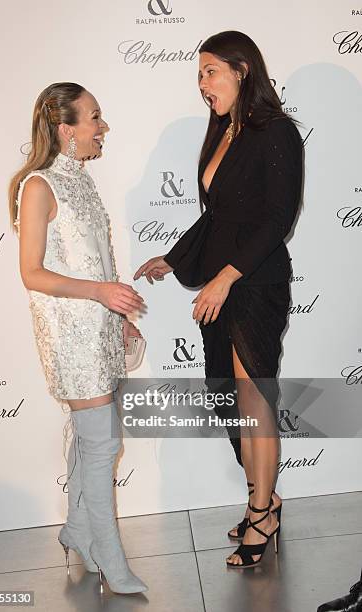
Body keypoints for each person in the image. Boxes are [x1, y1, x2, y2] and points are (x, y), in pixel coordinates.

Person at [134, 31, 302, 568]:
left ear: (242, 70)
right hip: (220, 283)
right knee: (229, 396)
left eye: (210, 71)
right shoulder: (221, 131)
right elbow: (218, 218)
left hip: (255, 284)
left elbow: (278, 218)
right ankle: (265, 498)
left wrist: (226, 277)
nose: (202, 83)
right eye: (199, 75)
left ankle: (260, 512)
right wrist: (176, 258)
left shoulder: (276, 132)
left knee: (254, 401)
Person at [9, 82, 147, 594]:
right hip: (69, 334)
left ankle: (78, 530)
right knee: (102, 442)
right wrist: (101, 293)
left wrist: (117, 314)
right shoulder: (39, 185)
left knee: (92, 441)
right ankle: (110, 557)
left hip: (99, 328)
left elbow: (95, 260)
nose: (101, 126)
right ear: (66, 130)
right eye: (93, 118)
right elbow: (32, 273)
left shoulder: (83, 182)